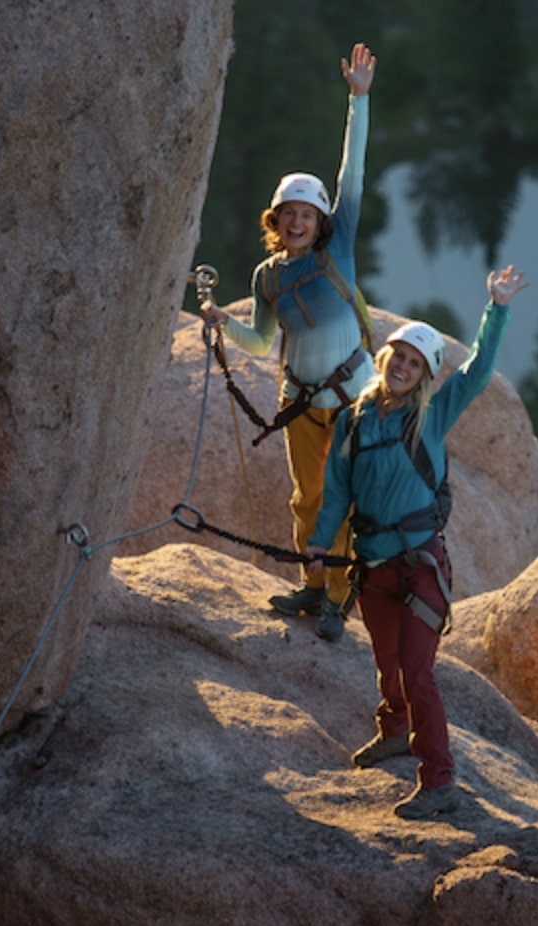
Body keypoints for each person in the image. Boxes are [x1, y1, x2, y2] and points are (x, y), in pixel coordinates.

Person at [306, 266, 530, 820]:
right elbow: (335, 492)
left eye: (415, 362)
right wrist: (316, 544)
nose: (404, 366)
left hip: (421, 565)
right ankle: (396, 731)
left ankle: (439, 780)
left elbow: (476, 372)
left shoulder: (430, 415)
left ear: (426, 375)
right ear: (384, 359)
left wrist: (496, 309)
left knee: (418, 670)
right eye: (398, 357)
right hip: (374, 565)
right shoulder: (354, 421)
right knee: (387, 663)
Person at [200, 42, 378, 643]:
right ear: (274, 222)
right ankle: (313, 583)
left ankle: (336, 598)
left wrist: (358, 99)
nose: (296, 222)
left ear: (322, 220)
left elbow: (352, 174)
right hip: (302, 401)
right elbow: (261, 340)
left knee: (342, 502)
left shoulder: (338, 251)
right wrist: (226, 329)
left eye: (306, 214)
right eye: (287, 215)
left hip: (351, 398)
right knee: (308, 500)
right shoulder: (267, 277)